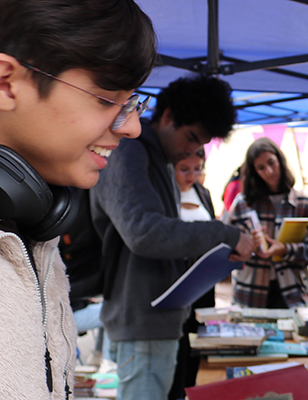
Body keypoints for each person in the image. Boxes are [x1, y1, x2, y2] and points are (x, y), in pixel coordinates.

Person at [0, 1, 155, 397]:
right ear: (6, 83)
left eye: (133, 102)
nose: (133, 127)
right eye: (106, 99)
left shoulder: (33, 223)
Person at [91, 75, 254, 399]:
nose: (192, 149)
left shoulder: (158, 158)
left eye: (201, 143)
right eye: (191, 136)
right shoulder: (130, 151)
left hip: (156, 318)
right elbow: (144, 232)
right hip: (143, 321)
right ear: (167, 117)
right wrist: (223, 234)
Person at [226, 137, 308, 309]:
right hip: (250, 294)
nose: (269, 171)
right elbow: (227, 250)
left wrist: (285, 250)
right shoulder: (242, 203)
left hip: (295, 294)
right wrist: (247, 248)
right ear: (254, 172)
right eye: (261, 167)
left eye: (271, 163)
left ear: (280, 161)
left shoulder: (304, 203)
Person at [168, 147, 218, 400]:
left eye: (196, 169)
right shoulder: (165, 195)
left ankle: (189, 392)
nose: (191, 176)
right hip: (177, 283)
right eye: (184, 169)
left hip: (203, 283)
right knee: (177, 347)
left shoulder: (203, 192)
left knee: (196, 344)